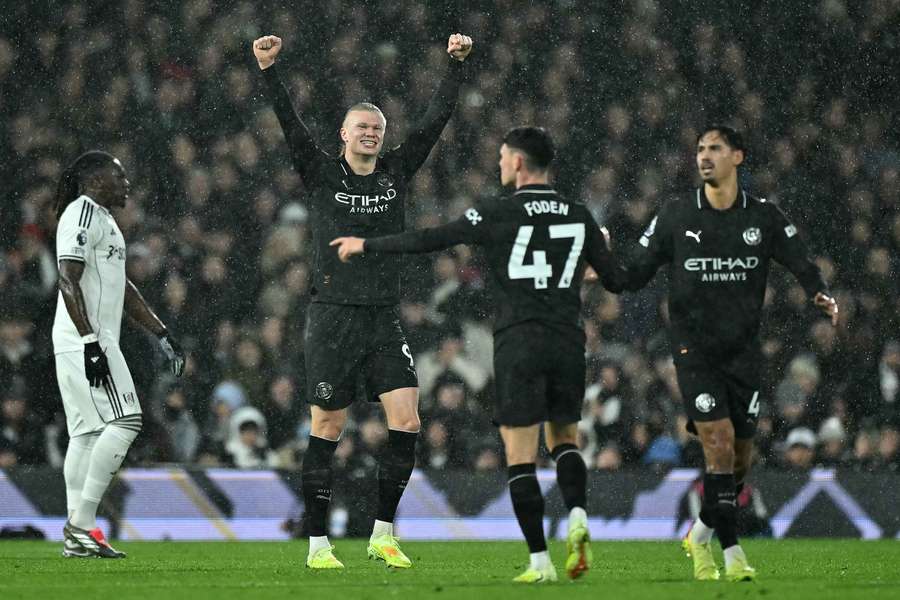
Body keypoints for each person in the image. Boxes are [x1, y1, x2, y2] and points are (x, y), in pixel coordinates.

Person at [331, 126, 621, 583]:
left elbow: (433, 237)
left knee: (521, 455)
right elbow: (616, 280)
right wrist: (589, 263)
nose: (501, 164)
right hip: (567, 340)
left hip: (518, 342)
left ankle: (541, 562)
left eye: (505, 157)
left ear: (520, 163)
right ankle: (579, 516)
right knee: (566, 439)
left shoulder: (497, 212)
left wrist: (367, 245)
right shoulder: (578, 214)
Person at [252, 33, 473, 569]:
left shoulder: (397, 171)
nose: (371, 133)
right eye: (362, 127)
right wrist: (269, 71)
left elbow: (436, 121)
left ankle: (382, 533)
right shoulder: (322, 171)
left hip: (382, 317)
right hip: (331, 317)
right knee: (327, 426)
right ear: (344, 134)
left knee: (409, 420)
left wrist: (455, 66)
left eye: (377, 127)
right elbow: (289, 123)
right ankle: (317, 544)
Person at [603, 126, 838, 582]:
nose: (704, 157)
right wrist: (604, 268)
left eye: (714, 149)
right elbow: (634, 272)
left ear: (738, 157)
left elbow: (800, 258)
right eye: (700, 150)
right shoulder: (675, 214)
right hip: (695, 352)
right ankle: (731, 553)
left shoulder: (763, 217)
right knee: (719, 446)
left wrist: (818, 292)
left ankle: (701, 532)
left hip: (743, 353)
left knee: (740, 462)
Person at [53, 151, 185, 558]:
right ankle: (79, 524)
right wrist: (91, 341)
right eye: (119, 176)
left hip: (83, 338)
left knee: (88, 434)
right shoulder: (83, 214)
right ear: (96, 180)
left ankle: (80, 532)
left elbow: (123, 288)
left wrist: (161, 332)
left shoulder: (105, 220)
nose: (126, 183)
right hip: (87, 339)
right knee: (126, 421)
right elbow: (66, 278)